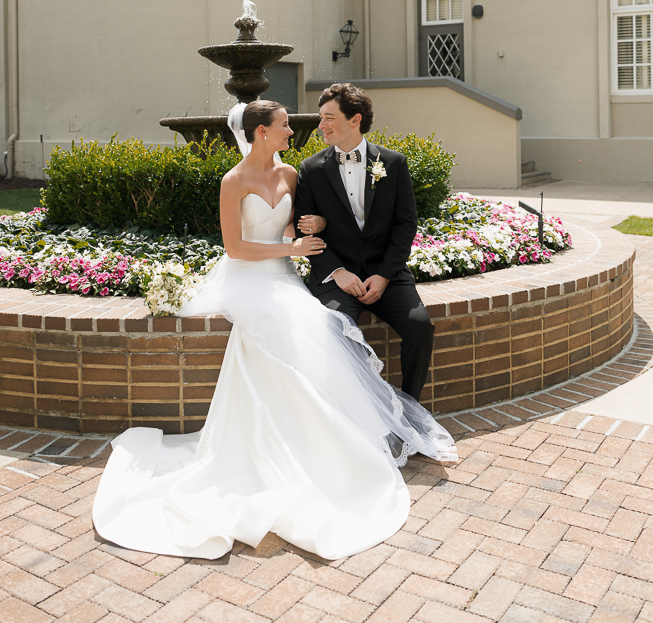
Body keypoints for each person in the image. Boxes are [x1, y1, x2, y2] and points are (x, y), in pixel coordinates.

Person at [92, 100, 455, 562]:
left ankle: (341, 433)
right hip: (249, 279)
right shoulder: (233, 181)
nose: (293, 131)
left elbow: (295, 227)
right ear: (261, 131)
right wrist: (299, 246)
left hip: (285, 275)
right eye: (284, 126)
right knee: (298, 325)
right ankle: (303, 442)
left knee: (318, 323)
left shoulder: (290, 176)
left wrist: (312, 228)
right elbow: (236, 247)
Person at [294, 83, 433, 401]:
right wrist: (338, 272)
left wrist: (385, 275)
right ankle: (353, 411)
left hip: (388, 276)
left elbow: (405, 224)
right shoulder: (311, 169)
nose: (321, 125)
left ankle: (410, 409)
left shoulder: (393, 163)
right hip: (336, 278)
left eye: (329, 117)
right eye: (321, 117)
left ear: (354, 119)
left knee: (419, 327)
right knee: (335, 331)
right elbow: (306, 230)